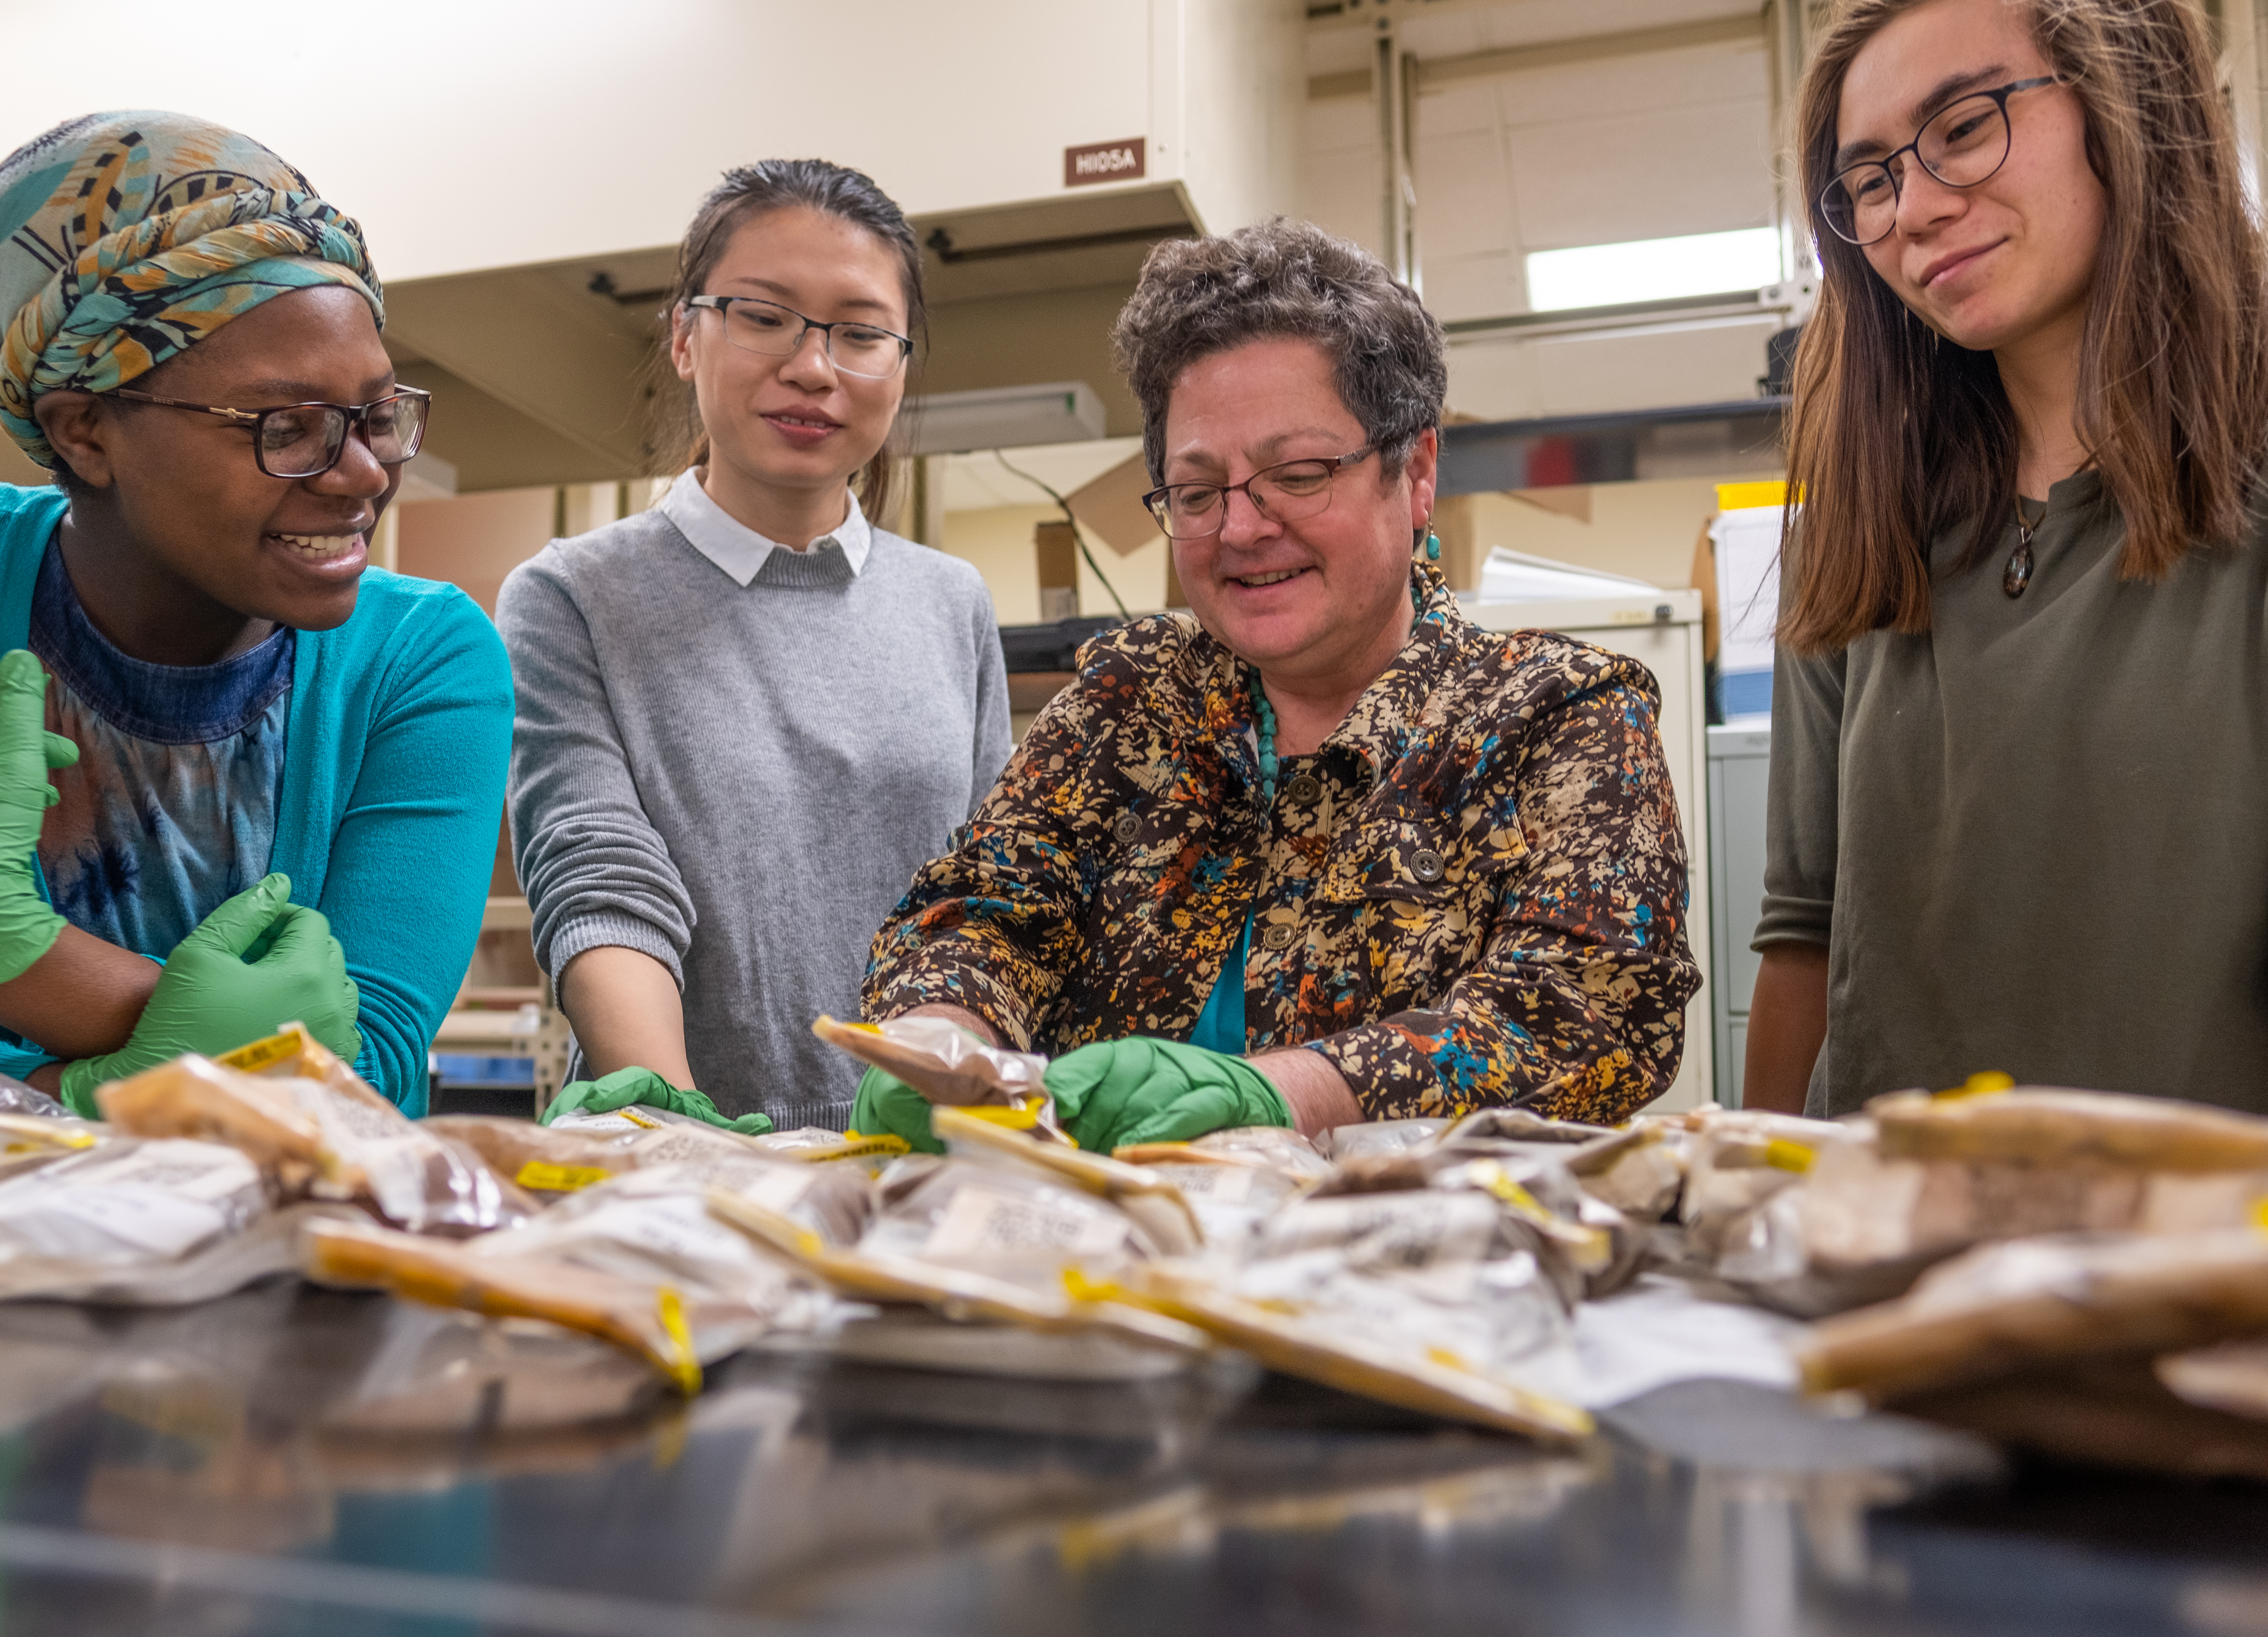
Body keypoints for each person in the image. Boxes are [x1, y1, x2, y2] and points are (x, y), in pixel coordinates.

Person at [852, 219, 1701, 1154]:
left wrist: (1285, 1091)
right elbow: (983, 912)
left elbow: (1590, 1012)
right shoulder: (1131, 696)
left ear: (1415, 473)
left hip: (1421, 1264)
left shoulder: (1558, 713)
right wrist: (940, 1036)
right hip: (1113, 1264)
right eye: (1199, 491)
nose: (1244, 528)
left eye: (1296, 476)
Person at [0, 112, 512, 1117]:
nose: (362, 474)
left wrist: (11, 957)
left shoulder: (423, 658)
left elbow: (376, 1066)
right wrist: (204, 1074)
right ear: (84, 431)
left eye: (377, 414)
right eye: (286, 426)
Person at [1745, 0, 2268, 1115]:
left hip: (2204, 1263)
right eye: (1872, 180)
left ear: (2122, 102)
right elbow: (1801, 942)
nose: (1918, 209)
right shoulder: (1851, 537)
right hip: (1888, 1264)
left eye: (1967, 126)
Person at [501, 159, 1010, 1134]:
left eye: (860, 334)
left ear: (900, 366)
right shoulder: (572, 596)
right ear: (687, 338)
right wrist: (681, 1126)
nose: (813, 367)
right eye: (766, 316)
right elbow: (601, 876)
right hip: (684, 1152)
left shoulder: (952, 602)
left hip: (925, 1147)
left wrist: (958, 1107)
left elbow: (985, 899)